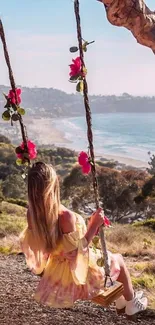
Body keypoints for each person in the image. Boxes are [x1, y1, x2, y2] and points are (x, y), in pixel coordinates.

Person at [20, 162, 147, 318]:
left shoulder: (31, 214)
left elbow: (39, 245)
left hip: (56, 270)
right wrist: (93, 226)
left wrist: (86, 228)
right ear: (52, 186)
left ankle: (122, 302)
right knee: (118, 260)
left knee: (109, 258)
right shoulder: (64, 216)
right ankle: (132, 302)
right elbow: (75, 253)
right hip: (77, 275)